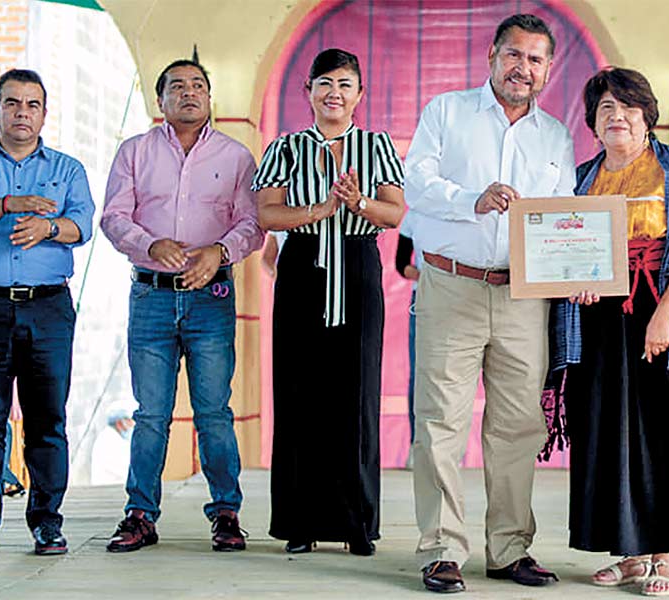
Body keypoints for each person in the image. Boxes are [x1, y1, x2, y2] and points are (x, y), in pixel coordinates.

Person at [404, 14, 576, 593]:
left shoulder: (556, 137)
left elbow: (563, 214)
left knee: (519, 426)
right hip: (451, 286)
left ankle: (508, 549)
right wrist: (469, 200)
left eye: (535, 59)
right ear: (492, 57)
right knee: (439, 422)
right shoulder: (446, 112)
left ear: (547, 69)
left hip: (524, 297)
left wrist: (577, 266)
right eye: (514, 55)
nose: (522, 68)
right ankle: (442, 550)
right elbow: (415, 183)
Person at [554, 67, 669, 597]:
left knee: (665, 431)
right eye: (605, 108)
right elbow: (567, 247)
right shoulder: (582, 177)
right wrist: (577, 281)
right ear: (592, 122)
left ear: (647, 116)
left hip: (663, 312)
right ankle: (629, 551)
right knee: (610, 432)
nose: (618, 117)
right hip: (601, 323)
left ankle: (664, 552)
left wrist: (666, 313)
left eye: (628, 107)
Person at [101, 58, 263, 553]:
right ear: (160, 100)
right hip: (150, 296)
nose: (188, 93)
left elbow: (252, 224)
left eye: (197, 86)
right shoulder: (134, 152)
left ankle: (227, 513)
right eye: (177, 86)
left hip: (211, 299)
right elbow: (113, 217)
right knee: (151, 414)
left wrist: (220, 252)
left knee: (214, 412)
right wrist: (149, 244)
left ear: (210, 97)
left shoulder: (236, 156)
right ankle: (140, 515)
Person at [253, 48, 405, 556]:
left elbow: (393, 214)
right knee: (299, 392)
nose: (333, 93)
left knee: (357, 394)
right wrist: (319, 209)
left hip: (358, 268)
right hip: (303, 267)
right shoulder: (286, 147)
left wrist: (357, 202)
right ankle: (300, 523)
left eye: (344, 84)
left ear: (360, 94)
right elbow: (268, 215)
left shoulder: (376, 145)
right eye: (324, 83)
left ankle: (358, 523)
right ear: (309, 92)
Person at [0, 69, 95, 557]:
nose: (22, 113)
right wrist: (8, 204)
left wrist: (48, 228)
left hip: (48, 308)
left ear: (44, 114)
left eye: (32, 104)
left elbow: (83, 225)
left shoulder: (67, 169)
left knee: (48, 418)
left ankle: (47, 522)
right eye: (12, 103)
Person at [394, 213, 421, 468]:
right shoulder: (414, 216)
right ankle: (417, 443)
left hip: (464, 294)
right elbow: (401, 263)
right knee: (419, 373)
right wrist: (426, 275)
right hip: (424, 297)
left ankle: (450, 447)